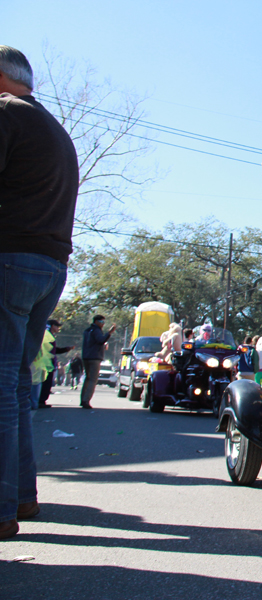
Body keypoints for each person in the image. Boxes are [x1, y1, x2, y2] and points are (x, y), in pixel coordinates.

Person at [0, 45, 79, 540]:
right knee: (12, 384)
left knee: (3, 383)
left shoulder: (5, 112)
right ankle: (20, 496)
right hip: (49, 265)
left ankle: (5, 506)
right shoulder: (51, 125)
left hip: (10, 258)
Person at [80, 315, 116, 409]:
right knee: (93, 379)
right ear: (96, 321)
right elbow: (101, 340)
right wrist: (109, 332)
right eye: (101, 322)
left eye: (104, 322)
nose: (103, 324)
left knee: (87, 378)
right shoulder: (96, 330)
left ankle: (82, 399)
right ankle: (86, 400)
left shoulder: (87, 330)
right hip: (94, 357)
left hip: (86, 357)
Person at [37, 319, 72, 408]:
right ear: (52, 326)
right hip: (46, 362)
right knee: (46, 382)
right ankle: (41, 401)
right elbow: (50, 350)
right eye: (57, 327)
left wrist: (65, 349)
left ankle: (41, 400)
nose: (58, 329)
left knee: (46, 382)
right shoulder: (47, 336)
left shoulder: (49, 335)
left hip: (48, 362)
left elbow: (53, 350)